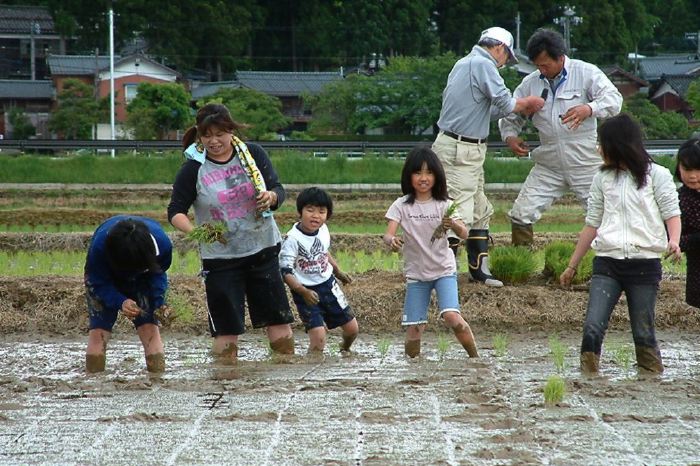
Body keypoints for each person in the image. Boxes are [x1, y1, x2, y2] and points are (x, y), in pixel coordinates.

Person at [167, 103, 295, 364]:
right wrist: (198, 233)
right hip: (222, 259)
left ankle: (282, 381)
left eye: (220, 134)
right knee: (226, 332)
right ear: (199, 135)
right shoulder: (193, 169)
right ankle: (225, 380)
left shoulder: (253, 154)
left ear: (231, 130)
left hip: (263, 249)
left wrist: (271, 197)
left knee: (278, 322)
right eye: (207, 135)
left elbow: (278, 189)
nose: (214, 141)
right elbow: (175, 212)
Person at [560, 114, 681, 374]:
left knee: (643, 330)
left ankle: (650, 378)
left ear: (618, 145)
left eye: (602, 143)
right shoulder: (602, 179)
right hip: (607, 263)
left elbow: (672, 213)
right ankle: (588, 377)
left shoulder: (657, 175)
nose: (599, 149)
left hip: (644, 265)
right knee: (593, 325)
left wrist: (674, 241)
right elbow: (592, 224)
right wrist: (572, 266)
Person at [433, 26, 545, 287]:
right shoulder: (483, 64)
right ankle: (442, 275)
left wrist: (514, 108)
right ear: (499, 48)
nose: (506, 63)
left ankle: (478, 271)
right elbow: (505, 103)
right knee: (459, 212)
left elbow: (486, 111)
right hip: (460, 149)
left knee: (480, 209)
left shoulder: (463, 64)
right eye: (507, 57)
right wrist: (528, 103)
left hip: (466, 147)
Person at [499, 28, 622, 247]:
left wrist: (589, 108)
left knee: (603, 216)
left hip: (585, 160)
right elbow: (511, 112)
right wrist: (510, 137)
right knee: (521, 213)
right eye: (537, 65)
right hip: (549, 163)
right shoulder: (530, 83)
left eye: (545, 64)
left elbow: (614, 100)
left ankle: (607, 266)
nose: (541, 69)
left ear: (561, 57)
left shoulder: (586, 72)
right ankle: (521, 264)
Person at [384, 146, 479, 358]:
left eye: (429, 173)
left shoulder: (445, 204)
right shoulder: (401, 205)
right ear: (409, 176)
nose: (423, 178)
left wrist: (452, 224)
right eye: (418, 173)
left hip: (443, 270)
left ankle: (475, 358)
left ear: (437, 176)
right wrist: (392, 241)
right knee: (414, 327)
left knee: (452, 317)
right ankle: (413, 369)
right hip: (417, 273)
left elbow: (464, 233)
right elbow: (388, 234)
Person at [84, 215, 172, 373]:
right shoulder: (100, 248)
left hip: (144, 278)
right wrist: (120, 301)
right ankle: (93, 383)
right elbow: (98, 282)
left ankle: (157, 379)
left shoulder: (162, 245)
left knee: (149, 328)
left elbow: (158, 274)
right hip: (107, 277)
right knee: (99, 332)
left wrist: (159, 302)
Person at [279, 187, 359, 353]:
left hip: (329, 285)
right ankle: (313, 369)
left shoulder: (323, 230)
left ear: (327, 215)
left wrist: (338, 272)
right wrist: (303, 291)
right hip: (305, 291)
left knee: (352, 329)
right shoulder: (292, 239)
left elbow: (324, 251)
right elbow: (285, 272)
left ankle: (345, 349)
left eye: (321, 212)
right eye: (310, 210)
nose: (316, 216)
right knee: (318, 337)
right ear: (300, 212)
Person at [675, 138, 700, 308]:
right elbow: (675, 240)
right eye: (687, 169)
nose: (692, 175)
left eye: (698, 169)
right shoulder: (677, 199)